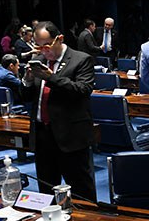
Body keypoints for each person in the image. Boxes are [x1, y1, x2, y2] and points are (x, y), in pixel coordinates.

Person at [22, 21, 97, 201]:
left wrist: (51, 77)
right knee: (47, 189)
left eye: (46, 45)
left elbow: (82, 91)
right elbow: (25, 98)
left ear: (59, 39)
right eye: (37, 46)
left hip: (71, 135)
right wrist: (27, 80)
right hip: (43, 134)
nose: (42, 50)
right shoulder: (38, 61)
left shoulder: (81, 59)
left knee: (81, 191)